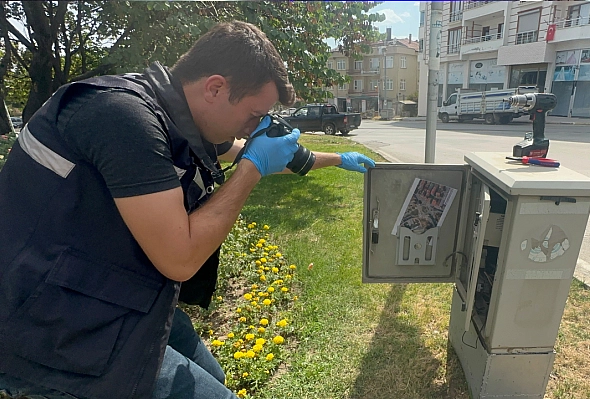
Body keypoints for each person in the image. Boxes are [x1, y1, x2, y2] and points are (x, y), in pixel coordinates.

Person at [0, 20, 374, 399]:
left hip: (106, 288)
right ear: (215, 87)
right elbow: (180, 259)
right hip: (50, 325)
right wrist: (251, 170)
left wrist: (339, 158)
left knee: (214, 374)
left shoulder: (172, 117)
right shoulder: (122, 118)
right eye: (253, 115)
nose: (256, 126)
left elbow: (258, 152)